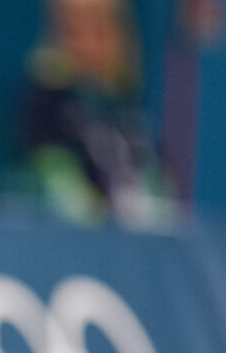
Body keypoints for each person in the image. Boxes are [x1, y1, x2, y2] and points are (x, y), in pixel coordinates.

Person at [15, 0, 178, 229]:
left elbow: (157, 183)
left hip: (134, 240)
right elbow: (53, 175)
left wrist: (152, 211)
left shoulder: (129, 107)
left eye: (99, 33)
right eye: (73, 33)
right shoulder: (44, 99)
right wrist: (90, 209)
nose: (87, 46)